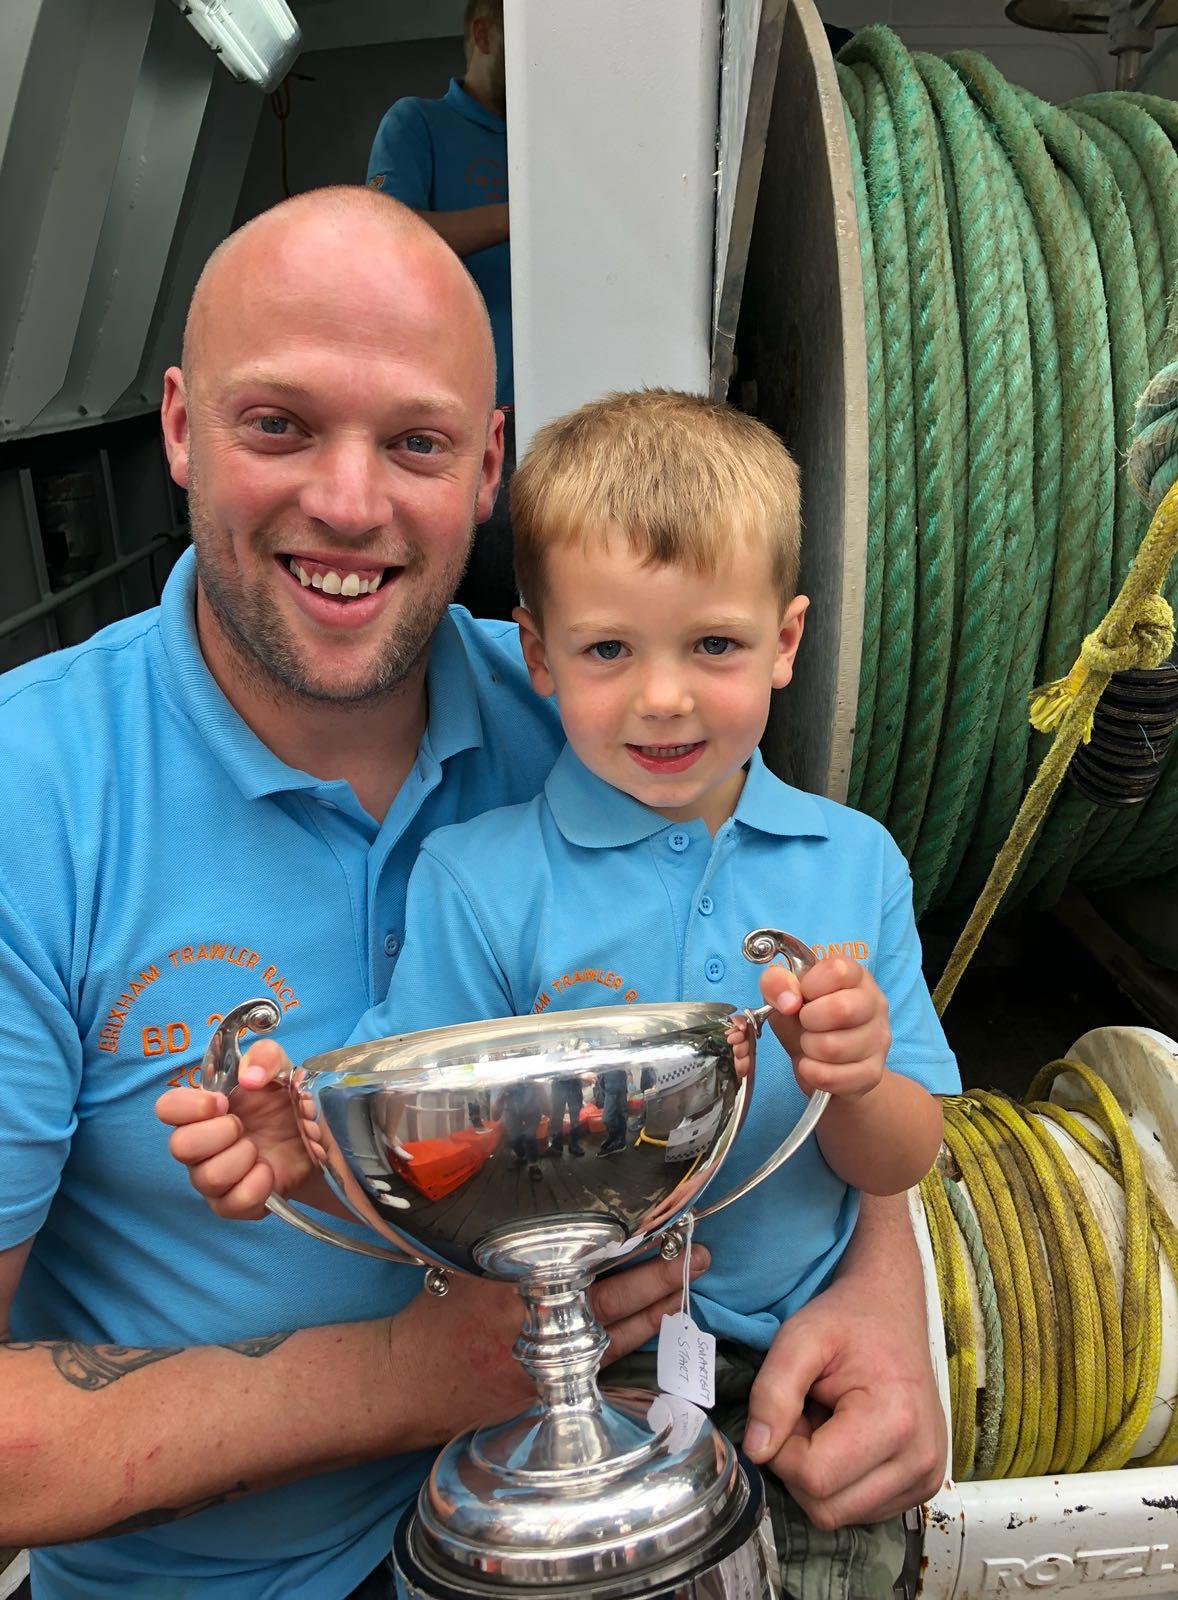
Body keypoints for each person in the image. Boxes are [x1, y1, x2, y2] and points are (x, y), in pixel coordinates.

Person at [0, 190, 709, 1600]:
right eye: (280, 426)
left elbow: (803, 981)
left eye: (417, 443)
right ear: (183, 427)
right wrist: (401, 1380)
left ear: (489, 464)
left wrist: (883, 1284)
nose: (347, 501)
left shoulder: (596, 737)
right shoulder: (32, 795)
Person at [161, 389, 960, 1599]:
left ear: (787, 639)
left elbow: (902, 1152)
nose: (664, 698)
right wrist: (299, 1148)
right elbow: (416, 1141)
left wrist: (853, 1074)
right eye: (607, 650)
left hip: (809, 1373)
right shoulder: (480, 883)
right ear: (535, 655)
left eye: (715, 645)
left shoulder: (853, 864)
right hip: (573, 1376)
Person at [367, 0, 514, 618]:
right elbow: (387, 236)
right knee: (446, 602)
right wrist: (524, 212)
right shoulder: (417, 124)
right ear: (482, 33)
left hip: (553, 418)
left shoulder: (550, 143)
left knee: (531, 601)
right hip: (450, 420)